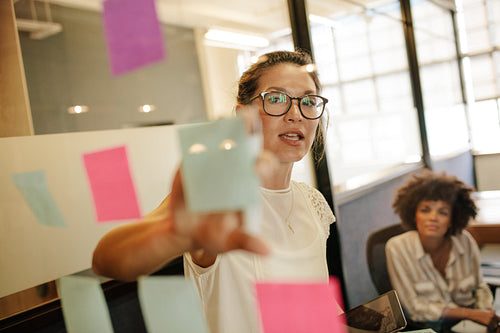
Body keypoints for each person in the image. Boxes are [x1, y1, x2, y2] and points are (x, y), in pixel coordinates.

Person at [92, 50, 337, 333]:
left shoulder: (312, 202)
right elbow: (108, 259)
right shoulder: (218, 198)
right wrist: (175, 233)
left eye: (308, 101)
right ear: (241, 115)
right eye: (276, 99)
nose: (296, 115)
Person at [385, 169, 499, 332]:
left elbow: (480, 286)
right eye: (425, 210)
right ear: (413, 214)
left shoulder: (464, 241)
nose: (433, 217)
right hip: (430, 326)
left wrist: (486, 315)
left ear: (452, 219)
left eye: (443, 212)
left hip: (471, 325)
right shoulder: (396, 248)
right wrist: (469, 313)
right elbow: (413, 308)